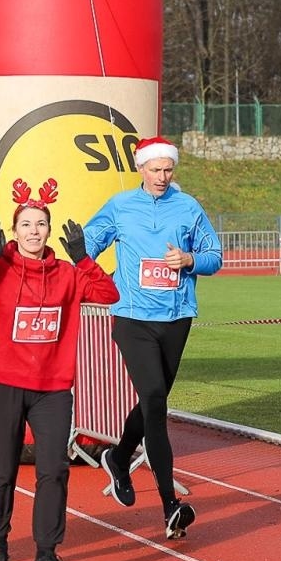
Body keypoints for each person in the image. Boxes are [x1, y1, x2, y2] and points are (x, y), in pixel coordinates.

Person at [0, 177, 119, 561]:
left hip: (52, 388)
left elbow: (109, 293)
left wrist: (83, 258)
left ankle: (46, 554)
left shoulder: (66, 273)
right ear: (15, 231)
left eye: (41, 224)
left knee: (53, 470)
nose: (34, 231)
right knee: (2, 469)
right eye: (26, 224)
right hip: (3, 384)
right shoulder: (2, 266)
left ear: (49, 230)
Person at [83, 136, 222, 540]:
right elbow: (89, 245)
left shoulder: (188, 207)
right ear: (141, 169)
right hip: (132, 318)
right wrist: (86, 262)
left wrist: (190, 259)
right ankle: (169, 505)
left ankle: (119, 454)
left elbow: (215, 256)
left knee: (152, 399)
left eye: (168, 169)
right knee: (156, 402)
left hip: (177, 318)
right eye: (155, 169)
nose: (162, 177)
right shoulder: (121, 205)